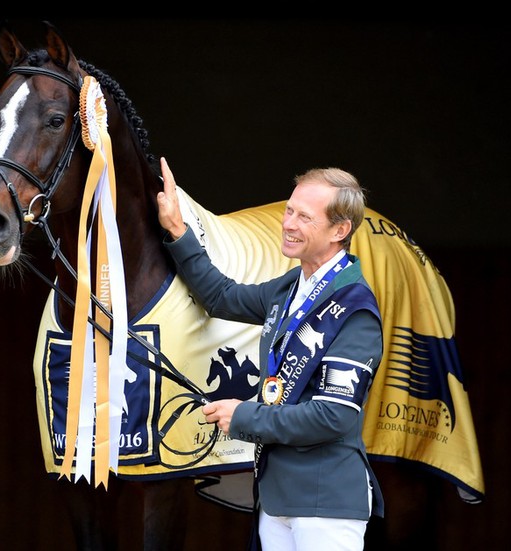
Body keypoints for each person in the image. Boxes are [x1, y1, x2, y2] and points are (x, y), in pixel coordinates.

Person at [156, 157, 384, 551]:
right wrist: (178, 229)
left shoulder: (355, 309)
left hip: (325, 502)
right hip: (276, 497)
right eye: (289, 210)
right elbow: (220, 296)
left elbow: (333, 416)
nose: (289, 223)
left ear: (340, 230)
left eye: (305, 217)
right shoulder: (292, 286)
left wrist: (242, 415)